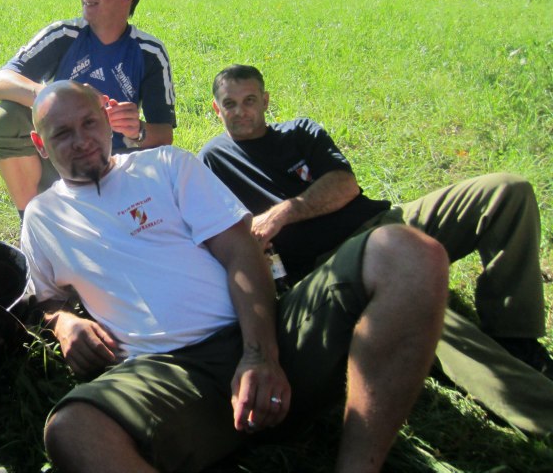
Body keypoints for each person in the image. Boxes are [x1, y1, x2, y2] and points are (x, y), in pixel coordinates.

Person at [20, 80, 449, 472]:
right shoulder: (42, 218)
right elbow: (46, 299)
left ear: (105, 117)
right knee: (73, 431)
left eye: (89, 123)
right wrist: (64, 322)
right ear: (40, 144)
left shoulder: (164, 165)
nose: (82, 141)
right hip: (169, 376)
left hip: (267, 333)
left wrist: (260, 355)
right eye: (62, 133)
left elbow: (241, 251)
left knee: (407, 251)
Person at [199, 64, 553, 431]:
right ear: (216, 108)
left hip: (388, 220)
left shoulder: (300, 132)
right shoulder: (211, 162)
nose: (241, 112)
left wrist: (283, 213)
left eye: (249, 100)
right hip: (339, 262)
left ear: (266, 101)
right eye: (230, 104)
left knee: (506, 191)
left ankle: (517, 336)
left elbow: (345, 185)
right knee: (419, 303)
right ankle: (537, 407)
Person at [0, 0, 176, 218]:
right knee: (5, 118)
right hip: (60, 158)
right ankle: (33, 221)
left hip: (115, 164)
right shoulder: (64, 35)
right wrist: (60, 95)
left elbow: (164, 135)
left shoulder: (149, 52)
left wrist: (137, 131)